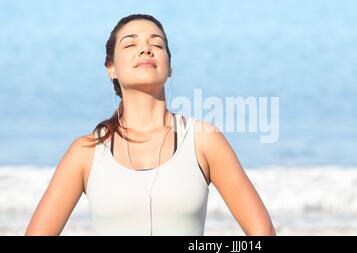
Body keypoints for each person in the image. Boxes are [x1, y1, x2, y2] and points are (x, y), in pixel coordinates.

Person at [25, 14, 275, 236]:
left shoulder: (203, 140)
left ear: (170, 68)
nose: (146, 50)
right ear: (111, 68)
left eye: (157, 44)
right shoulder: (87, 151)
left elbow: (262, 232)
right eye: (131, 44)